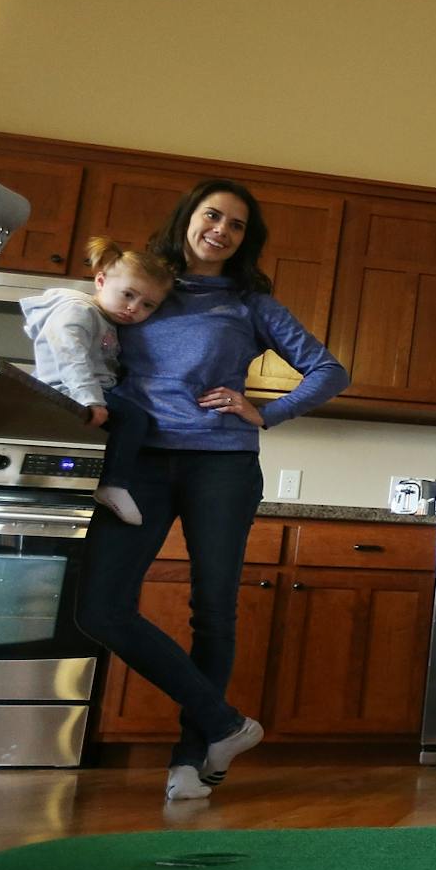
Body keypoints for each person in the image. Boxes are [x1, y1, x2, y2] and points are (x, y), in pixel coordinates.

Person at [75, 179, 350, 803]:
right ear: (188, 218)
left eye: (237, 224)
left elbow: (330, 370)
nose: (222, 230)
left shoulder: (251, 304)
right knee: (100, 608)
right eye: (213, 215)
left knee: (213, 611)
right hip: (137, 462)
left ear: (246, 240)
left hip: (221, 465)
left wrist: (266, 412)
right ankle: (225, 723)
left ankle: (191, 760)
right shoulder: (144, 285)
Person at [19, 238, 173, 525]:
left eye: (147, 304)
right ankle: (113, 485)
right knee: (133, 418)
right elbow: (70, 355)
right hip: (65, 390)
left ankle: (116, 483)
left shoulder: (107, 320)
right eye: (128, 294)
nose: (133, 307)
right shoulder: (77, 310)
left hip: (86, 391)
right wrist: (90, 398)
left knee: (136, 418)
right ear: (101, 281)